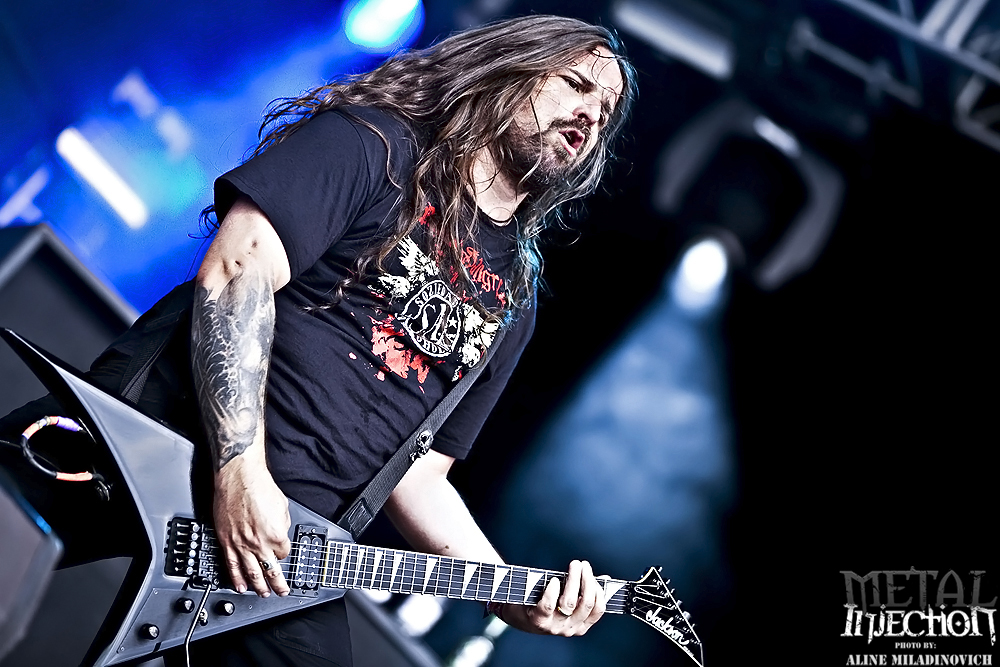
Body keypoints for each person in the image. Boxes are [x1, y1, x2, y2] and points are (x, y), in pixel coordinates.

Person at [1, 14, 635, 667]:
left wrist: (508, 591)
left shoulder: (514, 300)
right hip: (156, 436)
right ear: (507, 67)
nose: (591, 115)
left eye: (607, 111)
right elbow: (237, 271)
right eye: (576, 84)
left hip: (284, 546)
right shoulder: (378, 146)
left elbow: (421, 478)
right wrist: (239, 471)